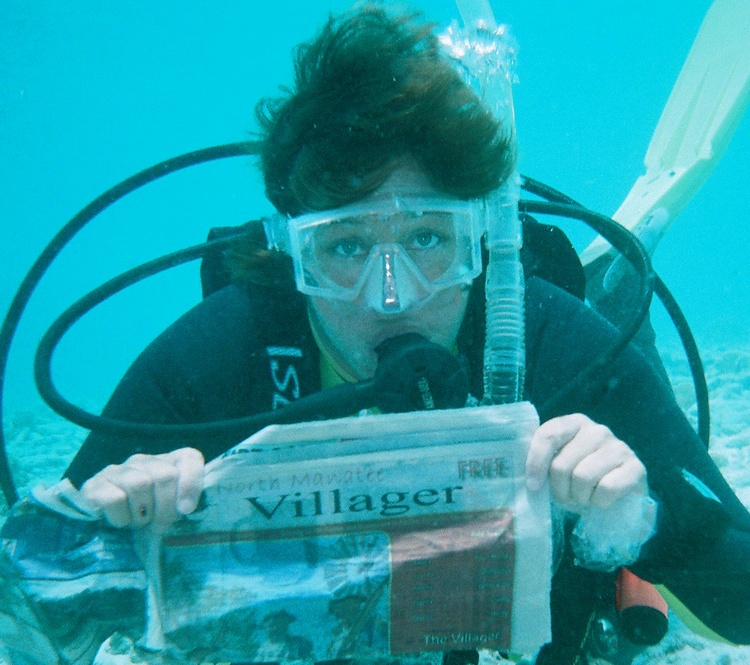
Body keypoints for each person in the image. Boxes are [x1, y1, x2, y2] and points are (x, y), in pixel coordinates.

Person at [59, 4, 750, 664]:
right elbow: (36, 607)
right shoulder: (223, 354)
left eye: (427, 238)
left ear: (480, 242)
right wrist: (113, 533)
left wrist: (638, 515)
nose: (393, 297)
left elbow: (738, 596)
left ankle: (618, 278)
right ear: (292, 258)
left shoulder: (549, 338)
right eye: (346, 247)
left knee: (612, 331)